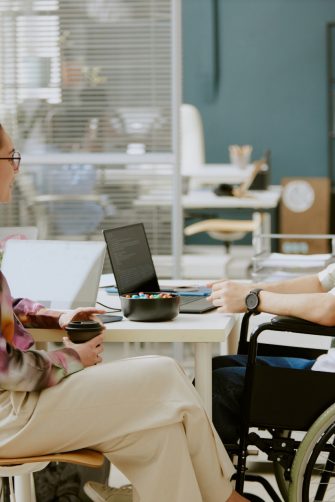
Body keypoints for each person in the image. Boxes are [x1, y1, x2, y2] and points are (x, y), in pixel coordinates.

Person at [0, 122, 248, 502]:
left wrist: (55, 318)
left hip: (16, 405)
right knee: (165, 373)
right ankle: (226, 499)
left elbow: (8, 308)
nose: (18, 168)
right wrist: (72, 358)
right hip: (10, 414)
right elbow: (8, 368)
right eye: (11, 157)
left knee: (159, 434)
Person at [208, 268, 335, 444]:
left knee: (217, 384)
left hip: (329, 385)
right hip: (324, 367)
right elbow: (320, 283)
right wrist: (248, 290)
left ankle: (212, 470)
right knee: (215, 366)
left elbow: (330, 308)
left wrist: (254, 299)